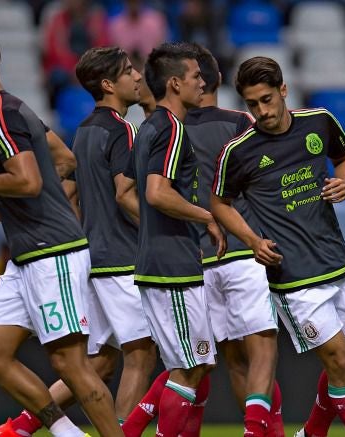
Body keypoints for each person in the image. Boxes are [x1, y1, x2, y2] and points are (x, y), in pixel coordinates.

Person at [0, 28, 122, 437]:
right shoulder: (17, 111)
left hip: (51, 253)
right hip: (27, 257)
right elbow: (64, 160)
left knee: (70, 364)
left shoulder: (2, 116)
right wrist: (5, 201)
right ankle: (66, 432)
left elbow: (30, 181)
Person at [0, 46, 158, 437]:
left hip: (91, 260)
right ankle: (121, 433)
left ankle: (20, 427)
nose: (138, 77)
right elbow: (124, 194)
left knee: (99, 363)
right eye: (129, 71)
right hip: (121, 260)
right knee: (141, 354)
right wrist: (166, 234)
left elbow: (69, 191)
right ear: (108, 84)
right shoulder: (123, 130)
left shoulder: (84, 131)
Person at [211, 56, 345, 437]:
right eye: (253, 104)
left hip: (337, 263)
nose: (262, 111)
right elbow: (219, 202)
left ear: (283, 90)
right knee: (338, 362)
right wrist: (252, 240)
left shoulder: (319, 122)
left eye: (267, 99)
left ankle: (313, 432)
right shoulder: (239, 151)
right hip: (294, 277)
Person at [125, 42, 225, 437]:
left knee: (195, 364)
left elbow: (129, 191)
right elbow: (156, 192)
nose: (202, 83)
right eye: (195, 76)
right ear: (174, 83)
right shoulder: (171, 127)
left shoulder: (149, 127)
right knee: (189, 368)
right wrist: (208, 217)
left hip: (162, 262)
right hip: (171, 266)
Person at [184, 44, 284, 437]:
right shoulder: (241, 123)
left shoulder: (170, 131)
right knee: (262, 351)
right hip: (244, 250)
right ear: (218, 80)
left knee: (232, 359)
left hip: (199, 260)